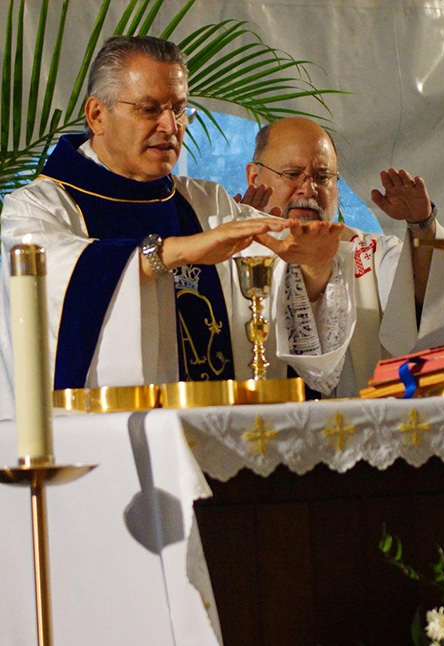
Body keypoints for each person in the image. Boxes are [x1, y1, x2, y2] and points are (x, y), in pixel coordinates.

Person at [0, 35, 358, 418]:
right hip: (103, 446)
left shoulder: (208, 204)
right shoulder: (38, 208)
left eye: (180, 109)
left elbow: (287, 307)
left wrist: (316, 266)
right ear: (97, 116)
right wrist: (180, 250)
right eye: (150, 109)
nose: (170, 126)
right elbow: (51, 282)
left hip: (215, 436)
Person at [239, 117, 444, 395]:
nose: (309, 189)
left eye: (322, 177)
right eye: (293, 174)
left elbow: (429, 300)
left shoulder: (368, 253)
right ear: (253, 177)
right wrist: (242, 240)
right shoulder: (229, 252)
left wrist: (422, 225)